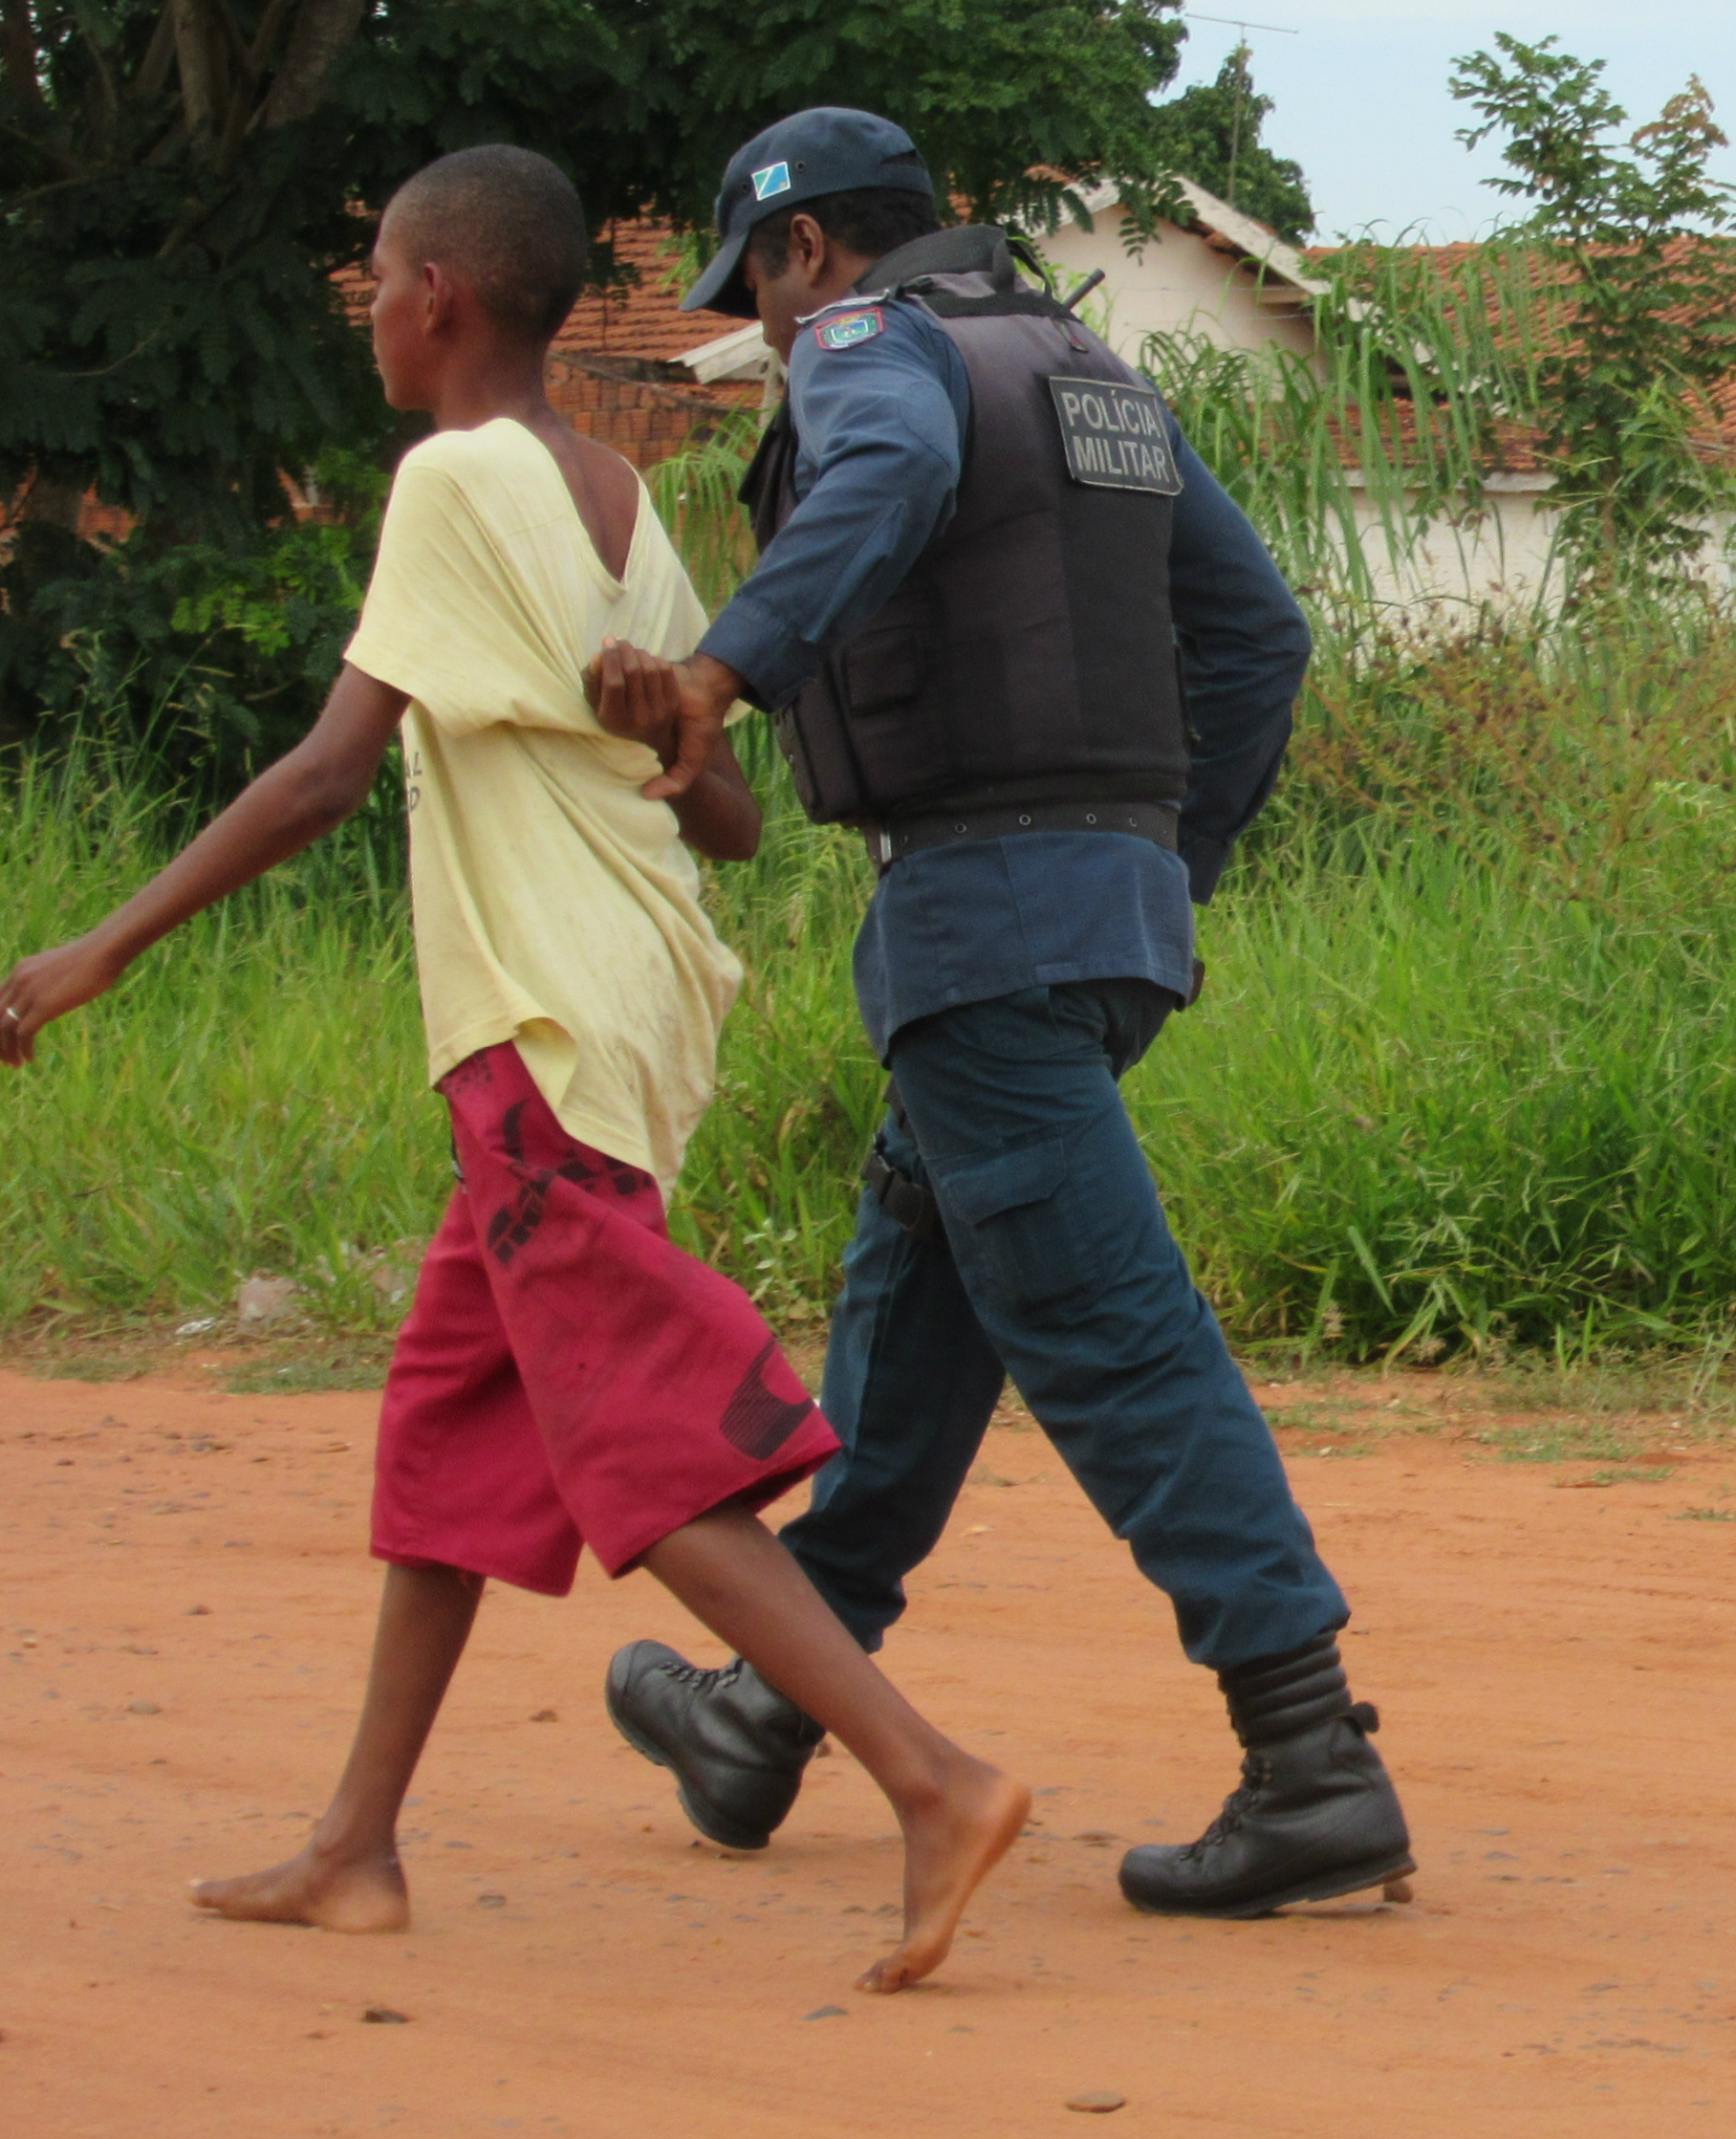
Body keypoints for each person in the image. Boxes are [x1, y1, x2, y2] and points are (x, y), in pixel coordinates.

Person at [0, 145, 1029, 1994]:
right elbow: (717, 813)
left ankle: (928, 1778)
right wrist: (662, 718)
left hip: (537, 1025)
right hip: (614, 1007)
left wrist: (96, 952)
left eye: (379, 278)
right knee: (456, 1434)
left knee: (636, 1438)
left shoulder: (454, 478)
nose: (369, 309)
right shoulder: (615, 497)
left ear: (442, 299)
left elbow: (324, 774)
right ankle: (355, 1846)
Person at [598, 107, 1413, 1919]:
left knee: (1117, 1339)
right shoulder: (1084, 371)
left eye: (765, 295)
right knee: (915, 1301)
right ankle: (766, 1718)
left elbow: (877, 482)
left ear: (813, 253)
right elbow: (1260, 637)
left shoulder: (879, 357)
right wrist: (1159, 861)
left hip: (983, 928)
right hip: (1102, 921)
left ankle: (1311, 1762)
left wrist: (724, 673)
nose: (773, 336)